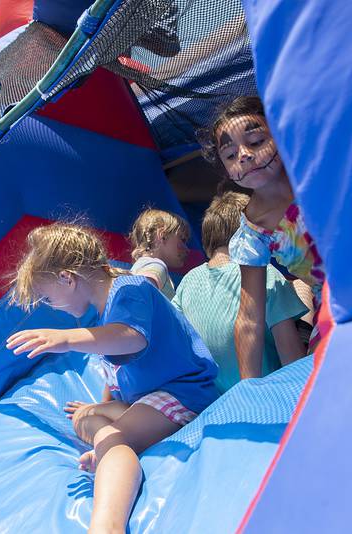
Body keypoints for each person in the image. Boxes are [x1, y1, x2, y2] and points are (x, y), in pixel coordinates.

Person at [6, 222, 218, 534]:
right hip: (147, 400)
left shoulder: (130, 289)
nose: (53, 308)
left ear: (67, 278)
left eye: (48, 299)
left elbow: (132, 338)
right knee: (82, 416)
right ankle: (112, 440)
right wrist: (99, 408)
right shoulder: (107, 310)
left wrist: (65, 338)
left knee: (110, 439)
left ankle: (107, 524)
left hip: (181, 394)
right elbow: (115, 370)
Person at [201, 95, 326, 379]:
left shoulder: (318, 177)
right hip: (335, 303)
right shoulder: (252, 234)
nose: (243, 155)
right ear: (227, 171)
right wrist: (250, 389)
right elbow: (249, 318)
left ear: (279, 135)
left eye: (256, 142)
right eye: (231, 155)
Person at [171, 192, 307, 392]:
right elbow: (293, 361)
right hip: (267, 393)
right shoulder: (263, 274)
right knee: (302, 286)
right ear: (248, 233)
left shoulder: (188, 282)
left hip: (219, 402)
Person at [128, 208, 191, 299]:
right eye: (182, 239)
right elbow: (140, 295)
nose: (187, 249)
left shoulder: (140, 266)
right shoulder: (156, 266)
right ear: (163, 236)